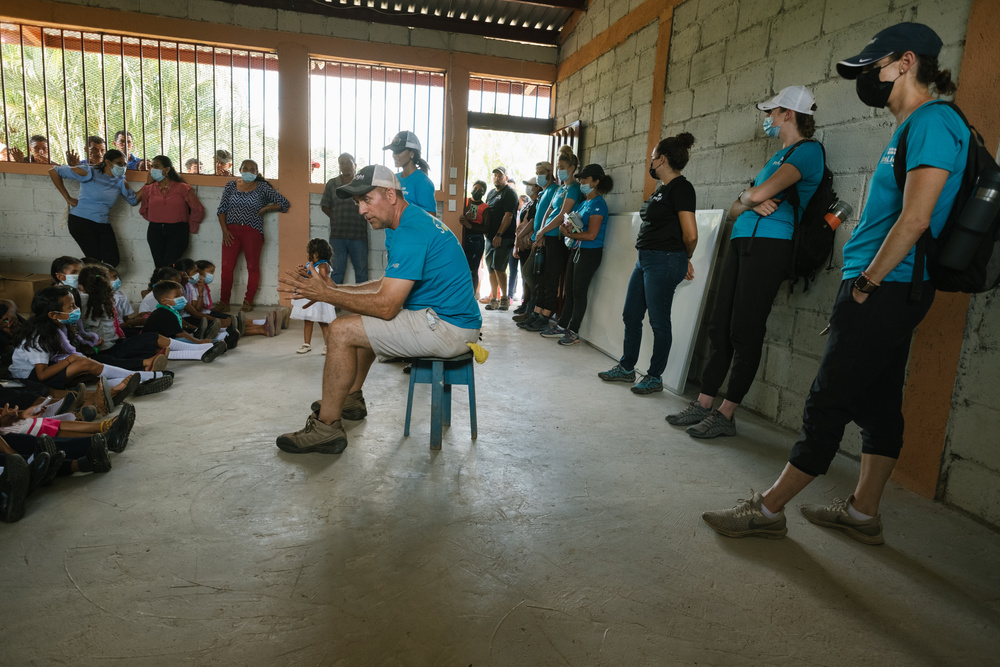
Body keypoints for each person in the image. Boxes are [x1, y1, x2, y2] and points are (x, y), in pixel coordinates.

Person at [702, 22, 967, 545]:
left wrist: (866, 282)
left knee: (826, 400)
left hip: (888, 284)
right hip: (891, 284)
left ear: (906, 62)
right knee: (880, 402)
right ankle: (864, 513)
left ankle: (768, 508)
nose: (866, 78)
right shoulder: (913, 125)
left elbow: (915, 220)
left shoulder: (933, 122)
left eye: (873, 67)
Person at [274, 165, 482, 455]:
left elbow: (385, 306)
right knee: (360, 318)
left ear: (390, 195)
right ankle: (350, 399)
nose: (361, 210)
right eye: (358, 202)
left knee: (341, 330)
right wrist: (331, 293)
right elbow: (385, 288)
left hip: (448, 328)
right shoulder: (405, 225)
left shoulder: (412, 231)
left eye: (366, 200)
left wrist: (328, 294)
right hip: (443, 319)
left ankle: (326, 427)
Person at [667, 85, 824, 439]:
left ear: (788, 113)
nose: (768, 119)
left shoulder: (808, 152)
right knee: (720, 324)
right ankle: (705, 402)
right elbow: (740, 203)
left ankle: (727, 413)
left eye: (772, 113)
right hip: (743, 240)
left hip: (770, 245)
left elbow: (756, 193)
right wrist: (747, 197)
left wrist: (751, 195)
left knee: (745, 330)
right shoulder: (777, 156)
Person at [599, 133, 698, 395]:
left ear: (661, 159)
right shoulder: (662, 190)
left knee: (659, 321)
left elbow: (691, 234)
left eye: (652, 157)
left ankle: (655, 377)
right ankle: (627, 368)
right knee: (631, 314)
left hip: (665, 260)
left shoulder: (682, 189)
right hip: (646, 259)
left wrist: (684, 257)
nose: (650, 162)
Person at [542, 163, 613, 346]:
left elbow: (591, 234)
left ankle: (573, 331)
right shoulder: (584, 203)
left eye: (585, 179)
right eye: (580, 178)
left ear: (596, 181)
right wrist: (568, 228)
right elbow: (576, 223)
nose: (581, 181)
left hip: (589, 253)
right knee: (570, 291)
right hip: (577, 250)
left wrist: (570, 234)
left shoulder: (598, 205)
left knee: (579, 293)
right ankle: (562, 325)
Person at [520, 146, 582, 332]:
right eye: (558, 167)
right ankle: (536, 313)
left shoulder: (574, 189)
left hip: (557, 239)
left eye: (562, 166)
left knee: (551, 280)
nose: (559, 170)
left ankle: (546, 316)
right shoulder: (559, 189)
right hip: (546, 236)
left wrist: (543, 231)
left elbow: (563, 213)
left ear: (572, 168)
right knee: (542, 278)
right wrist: (540, 232)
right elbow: (548, 211)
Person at [216, 159, 290, 312]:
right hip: (230, 232)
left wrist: (266, 209)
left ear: (257, 173)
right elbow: (221, 209)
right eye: (246, 168)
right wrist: (224, 230)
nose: (249, 172)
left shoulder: (262, 187)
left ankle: (248, 301)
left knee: (252, 267)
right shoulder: (231, 185)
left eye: (252, 169)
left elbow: (284, 203)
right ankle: (224, 302)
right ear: (240, 169)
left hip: (252, 232)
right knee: (227, 267)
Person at [48, 149, 141, 267]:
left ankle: (96, 282)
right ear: (108, 162)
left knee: (112, 261)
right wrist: (68, 198)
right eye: (119, 163)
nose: (123, 167)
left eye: (124, 164)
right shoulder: (90, 171)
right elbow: (54, 172)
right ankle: (88, 282)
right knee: (94, 260)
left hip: (102, 223)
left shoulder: (120, 181)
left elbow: (133, 200)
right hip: (81, 221)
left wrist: (149, 185)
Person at [139, 155, 206, 268]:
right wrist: (158, 218)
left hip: (177, 231)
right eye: (151, 167)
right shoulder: (148, 189)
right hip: (155, 231)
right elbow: (143, 210)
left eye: (156, 166)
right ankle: (157, 285)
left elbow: (198, 209)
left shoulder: (183, 188)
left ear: (167, 169)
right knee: (159, 265)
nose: (152, 170)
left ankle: (168, 284)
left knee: (170, 265)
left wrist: (191, 226)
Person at [141, 281, 228, 362]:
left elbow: (178, 330)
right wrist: (197, 341)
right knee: (187, 342)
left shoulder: (167, 311)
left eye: (181, 295)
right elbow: (180, 333)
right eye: (177, 296)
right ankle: (214, 345)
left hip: (165, 341)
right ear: (164, 300)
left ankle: (216, 342)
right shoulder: (164, 313)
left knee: (187, 340)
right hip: (154, 346)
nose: (181, 298)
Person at [515, 161, 559, 321]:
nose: (539, 175)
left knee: (536, 277)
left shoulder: (555, 190)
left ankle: (537, 311)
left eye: (541, 172)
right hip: (537, 238)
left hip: (546, 240)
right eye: (537, 172)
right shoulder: (542, 193)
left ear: (549, 172)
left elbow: (553, 216)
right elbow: (535, 219)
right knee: (531, 275)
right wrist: (521, 236)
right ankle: (532, 310)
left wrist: (541, 236)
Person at [320, 153, 369, 284]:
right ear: (339, 166)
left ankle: (361, 304)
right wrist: (336, 218)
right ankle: (335, 304)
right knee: (336, 272)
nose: (346, 165)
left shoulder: (362, 183)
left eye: (349, 162)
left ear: (355, 165)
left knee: (362, 272)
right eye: (342, 163)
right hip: (338, 235)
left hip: (358, 235)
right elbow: (324, 205)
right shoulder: (332, 184)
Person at [291, 239, 337, 355]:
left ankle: (328, 345)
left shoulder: (323, 266)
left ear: (316, 253)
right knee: (308, 321)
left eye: (309, 252)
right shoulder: (311, 264)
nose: (307, 255)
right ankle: (306, 344)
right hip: (310, 295)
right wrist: (304, 271)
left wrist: (305, 274)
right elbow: (310, 275)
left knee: (323, 322)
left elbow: (320, 282)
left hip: (319, 298)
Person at [482, 167, 519, 311]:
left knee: (499, 267)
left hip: (503, 237)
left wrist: (499, 234)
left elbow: (508, 216)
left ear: (506, 177)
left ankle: (505, 298)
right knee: (491, 268)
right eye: (495, 175)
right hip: (490, 238)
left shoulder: (510, 194)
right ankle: (494, 298)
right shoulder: (491, 193)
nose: (497, 178)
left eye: (500, 176)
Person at [384, 131, 436, 215]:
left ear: (412, 154)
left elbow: (429, 220)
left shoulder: (423, 182)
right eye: (394, 151)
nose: (394, 155)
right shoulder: (394, 179)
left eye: (399, 151)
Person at [459, 180, 489, 299]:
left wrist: (470, 225)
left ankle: (471, 296)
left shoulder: (485, 207)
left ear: (483, 193)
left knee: (473, 270)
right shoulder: (464, 201)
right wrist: (465, 217)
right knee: (461, 267)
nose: (476, 191)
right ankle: (461, 295)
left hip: (476, 240)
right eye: (475, 188)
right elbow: (459, 216)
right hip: (463, 237)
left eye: (480, 190)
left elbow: (486, 228)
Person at [513, 180, 539, 312]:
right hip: (522, 243)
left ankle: (530, 306)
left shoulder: (538, 203)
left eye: (532, 185)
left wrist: (520, 237)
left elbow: (533, 223)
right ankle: (525, 303)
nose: (529, 188)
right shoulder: (528, 204)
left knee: (529, 276)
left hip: (530, 243)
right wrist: (517, 243)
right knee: (524, 275)